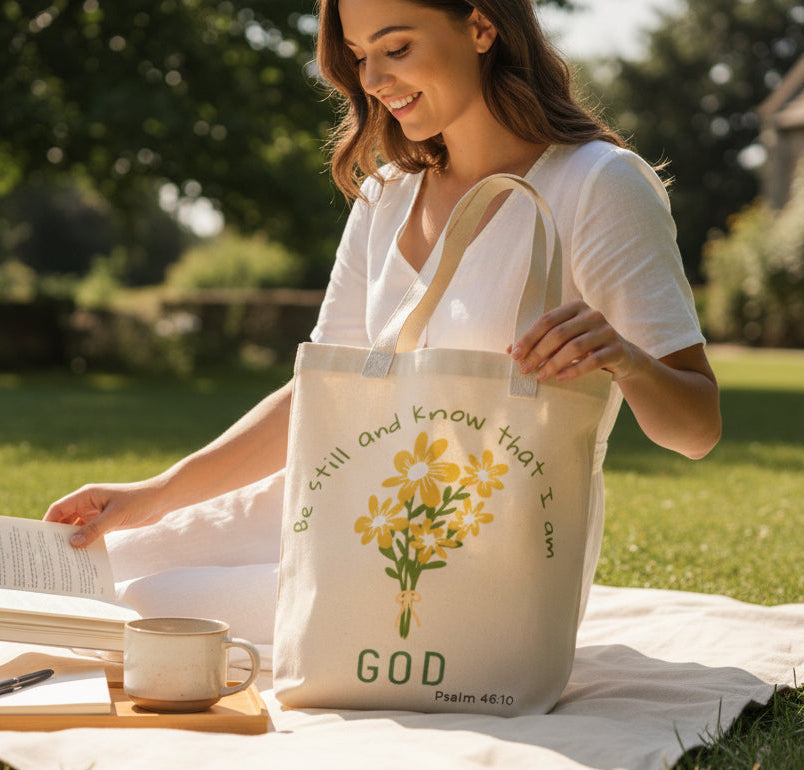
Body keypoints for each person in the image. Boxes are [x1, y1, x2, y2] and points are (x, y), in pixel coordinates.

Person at [45, 0, 721, 615]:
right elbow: (320, 394)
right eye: (360, 56)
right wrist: (155, 493)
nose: (371, 79)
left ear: (482, 27)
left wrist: (626, 359)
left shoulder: (598, 184)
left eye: (395, 48)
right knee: (72, 572)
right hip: (350, 504)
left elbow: (696, 429)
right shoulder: (388, 193)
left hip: (483, 564)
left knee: (142, 607)